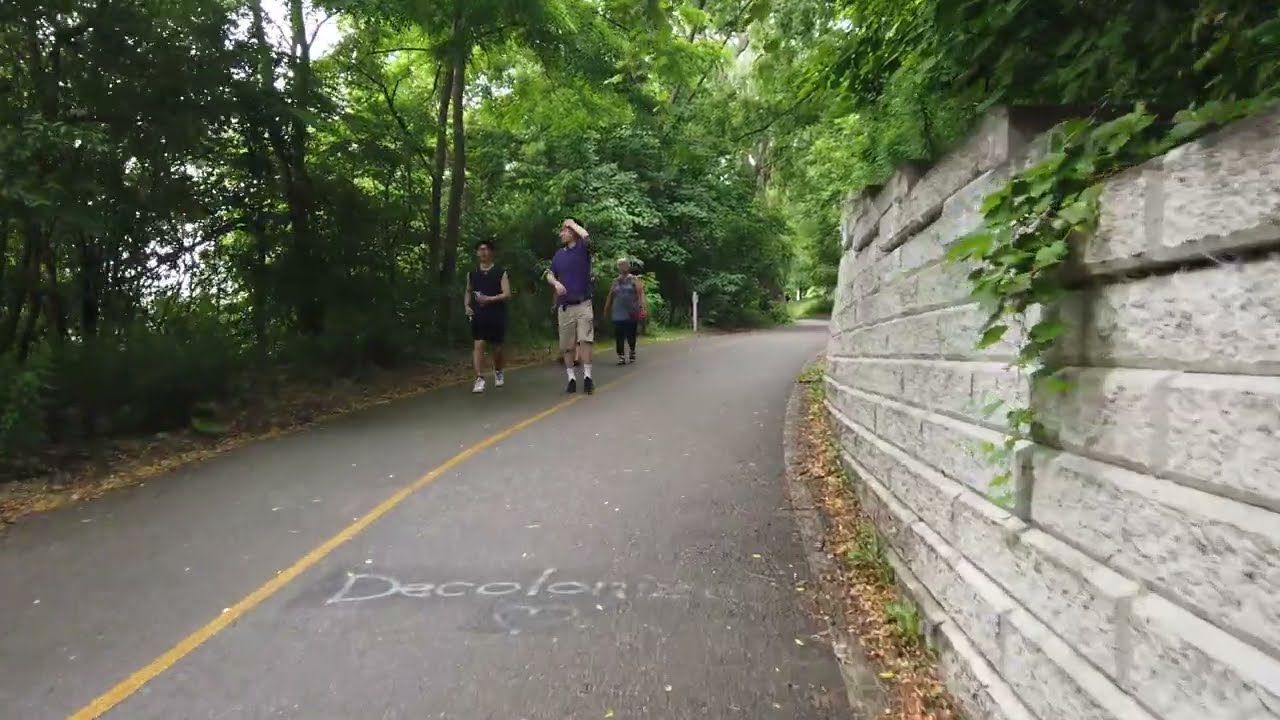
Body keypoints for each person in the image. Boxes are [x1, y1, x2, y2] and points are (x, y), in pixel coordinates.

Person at [546, 218, 594, 394]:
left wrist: (572, 224)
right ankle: (571, 378)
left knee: (585, 340)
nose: (561, 234)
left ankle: (588, 377)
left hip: (583, 303)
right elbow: (550, 274)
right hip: (565, 306)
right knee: (567, 345)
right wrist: (555, 283)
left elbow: (588, 238)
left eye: (564, 230)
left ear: (573, 232)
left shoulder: (582, 248)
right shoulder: (559, 255)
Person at [464, 240, 511, 394]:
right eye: (480, 250)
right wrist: (467, 306)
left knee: (497, 348)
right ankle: (479, 378)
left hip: (496, 313)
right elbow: (468, 291)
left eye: (486, 249)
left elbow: (507, 293)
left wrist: (489, 299)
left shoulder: (500, 272)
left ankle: (498, 370)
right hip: (479, 314)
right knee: (478, 345)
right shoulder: (472, 274)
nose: (483, 252)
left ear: (491, 252)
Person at [602, 257, 646, 365]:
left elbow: (640, 294)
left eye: (624, 265)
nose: (622, 267)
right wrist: (606, 309)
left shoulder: (634, 280)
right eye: (620, 265)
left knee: (631, 333)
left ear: (628, 267)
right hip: (618, 312)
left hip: (631, 311)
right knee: (619, 334)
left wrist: (642, 307)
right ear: (618, 268)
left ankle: (632, 350)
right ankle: (621, 355)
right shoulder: (615, 281)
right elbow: (610, 296)